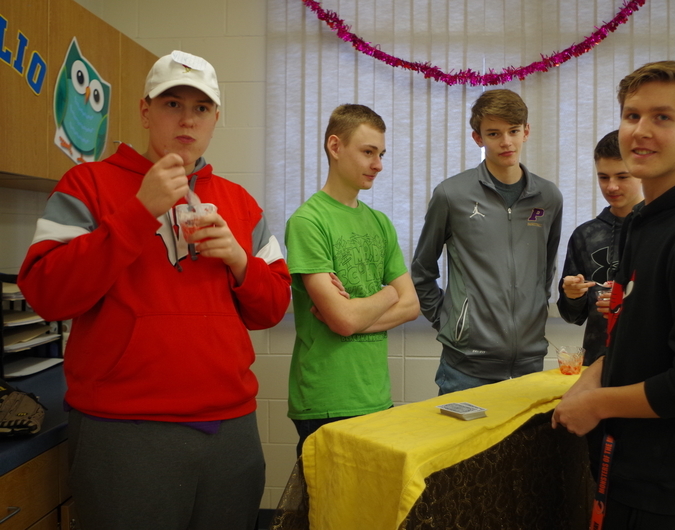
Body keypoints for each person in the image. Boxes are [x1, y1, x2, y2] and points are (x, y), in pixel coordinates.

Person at [18, 51, 291, 530]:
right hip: (123, 430)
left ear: (216, 118)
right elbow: (46, 293)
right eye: (172, 104)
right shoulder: (87, 184)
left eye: (201, 108)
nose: (187, 120)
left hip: (230, 430)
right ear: (145, 112)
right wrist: (138, 212)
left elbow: (273, 308)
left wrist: (238, 260)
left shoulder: (240, 203)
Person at [551, 61, 675, 530]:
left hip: (660, 480)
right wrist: (594, 375)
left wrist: (597, 404)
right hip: (624, 460)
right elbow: (633, 334)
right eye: (632, 115)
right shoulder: (647, 222)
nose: (640, 131)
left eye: (662, 117)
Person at [284, 104, 419, 457]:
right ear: (335, 147)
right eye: (368, 152)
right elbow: (345, 319)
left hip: (375, 395)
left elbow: (411, 305)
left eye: (381, 154)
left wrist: (352, 315)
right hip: (326, 399)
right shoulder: (308, 221)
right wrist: (388, 294)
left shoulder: (380, 223)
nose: (378, 165)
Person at [411, 89, 563, 395]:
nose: (506, 142)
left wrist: (534, 316)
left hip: (529, 363)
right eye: (494, 133)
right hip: (465, 368)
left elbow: (545, 270)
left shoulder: (548, 197)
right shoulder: (451, 195)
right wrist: (448, 321)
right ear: (477, 138)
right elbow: (422, 269)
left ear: (526, 132)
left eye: (513, 131)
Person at [556, 130, 643, 365]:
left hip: (650, 364)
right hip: (596, 361)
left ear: (641, 173)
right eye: (603, 177)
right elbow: (572, 315)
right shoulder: (585, 235)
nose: (611, 187)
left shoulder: (663, 229)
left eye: (622, 177)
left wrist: (629, 303)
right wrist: (572, 295)